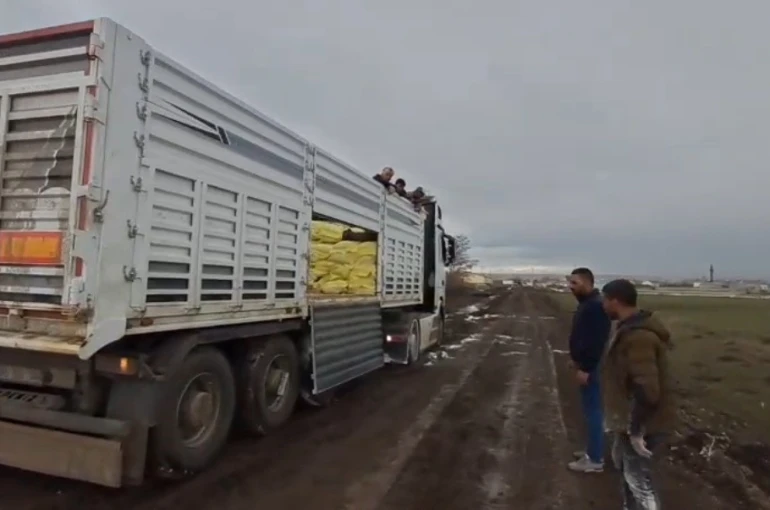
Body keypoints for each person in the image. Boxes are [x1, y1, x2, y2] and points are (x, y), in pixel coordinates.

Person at [601, 279, 674, 509]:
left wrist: (635, 431)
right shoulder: (628, 329)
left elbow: (648, 389)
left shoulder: (639, 337)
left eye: (605, 300)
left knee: (639, 481)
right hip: (631, 418)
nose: (603, 305)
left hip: (643, 423)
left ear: (615, 301)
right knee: (627, 473)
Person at [566, 267, 611, 473]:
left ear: (587, 282)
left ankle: (595, 459)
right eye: (570, 282)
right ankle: (592, 450)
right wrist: (576, 359)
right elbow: (582, 337)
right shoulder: (588, 304)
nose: (570, 287)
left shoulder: (594, 306)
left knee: (593, 412)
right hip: (586, 364)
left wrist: (585, 367)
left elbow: (596, 342)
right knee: (590, 410)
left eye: (574, 283)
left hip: (591, 367)